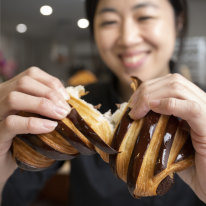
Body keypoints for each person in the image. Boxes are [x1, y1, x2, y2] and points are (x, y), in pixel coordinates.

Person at [0, 0, 206, 205]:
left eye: (145, 17)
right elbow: (12, 195)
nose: (127, 38)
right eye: (109, 21)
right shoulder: (70, 111)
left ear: (178, 21)